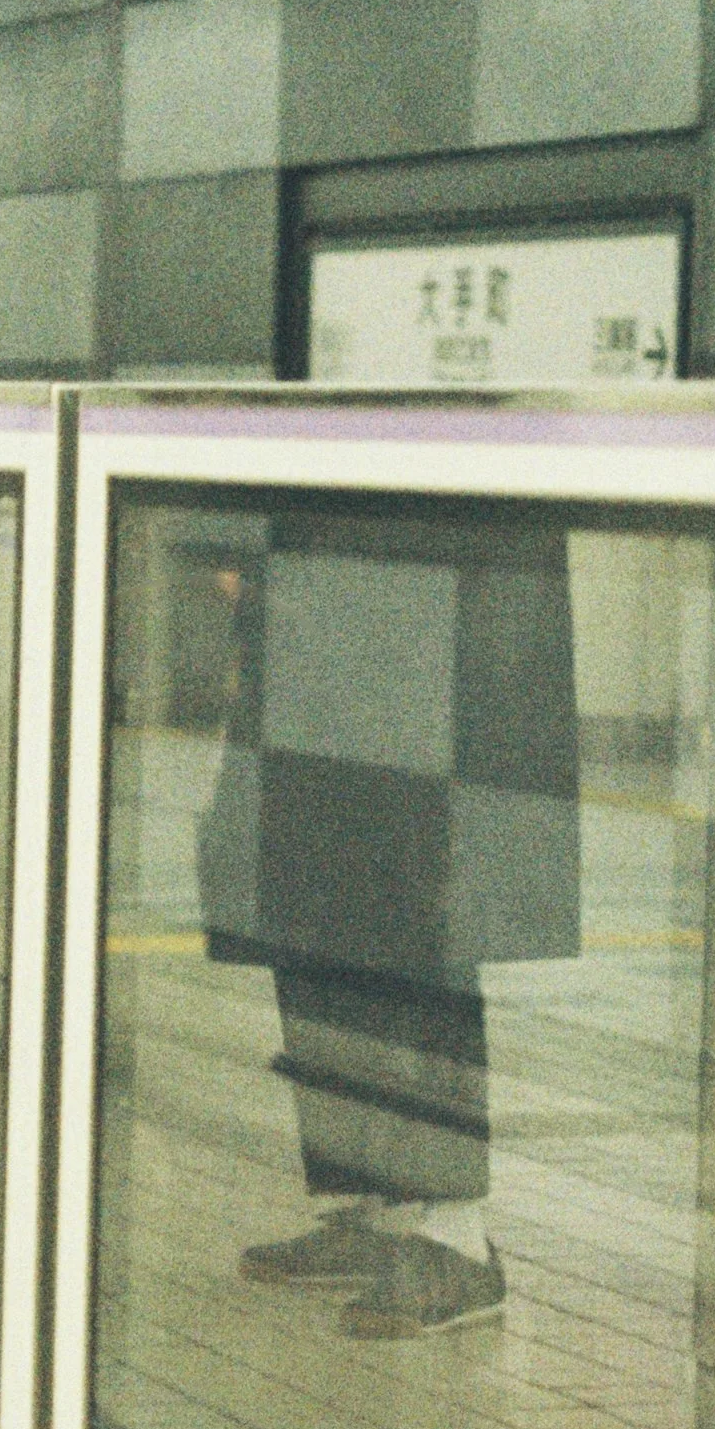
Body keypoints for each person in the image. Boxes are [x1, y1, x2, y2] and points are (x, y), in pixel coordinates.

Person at [193, 497, 580, 1340]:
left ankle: (456, 1235)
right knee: (306, 894)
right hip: (320, 574)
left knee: (416, 911)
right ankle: (364, 1199)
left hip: (424, 585)